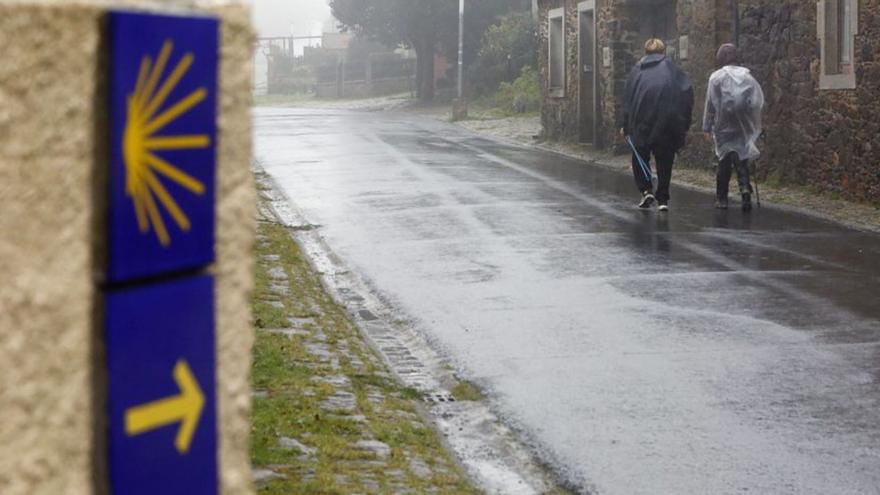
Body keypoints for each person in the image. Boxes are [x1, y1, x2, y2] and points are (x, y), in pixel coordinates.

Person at [621, 38, 694, 212]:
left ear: (645, 52)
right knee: (664, 159)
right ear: (663, 52)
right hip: (666, 121)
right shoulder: (673, 69)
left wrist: (625, 124)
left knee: (640, 156)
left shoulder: (636, 70)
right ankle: (663, 198)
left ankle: (646, 189)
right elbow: (686, 93)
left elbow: (628, 99)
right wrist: (684, 122)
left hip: (641, 121)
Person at [702, 43, 765, 211]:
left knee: (724, 160)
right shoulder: (747, 77)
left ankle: (722, 198)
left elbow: (710, 104)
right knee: (742, 157)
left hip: (722, 125)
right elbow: (755, 102)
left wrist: (707, 127)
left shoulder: (715, 78)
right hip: (742, 125)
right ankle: (745, 189)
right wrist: (754, 124)